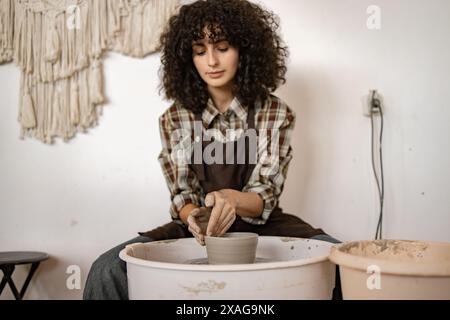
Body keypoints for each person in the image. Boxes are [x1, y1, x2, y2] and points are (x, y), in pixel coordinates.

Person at [83, 0, 341, 300]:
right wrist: (194, 216)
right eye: (200, 50)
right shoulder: (175, 118)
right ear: (188, 57)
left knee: (343, 261)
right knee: (106, 269)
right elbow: (182, 194)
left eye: (222, 47)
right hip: (198, 227)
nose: (212, 62)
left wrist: (232, 199)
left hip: (262, 223)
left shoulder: (274, 111)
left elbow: (265, 193)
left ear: (245, 49)